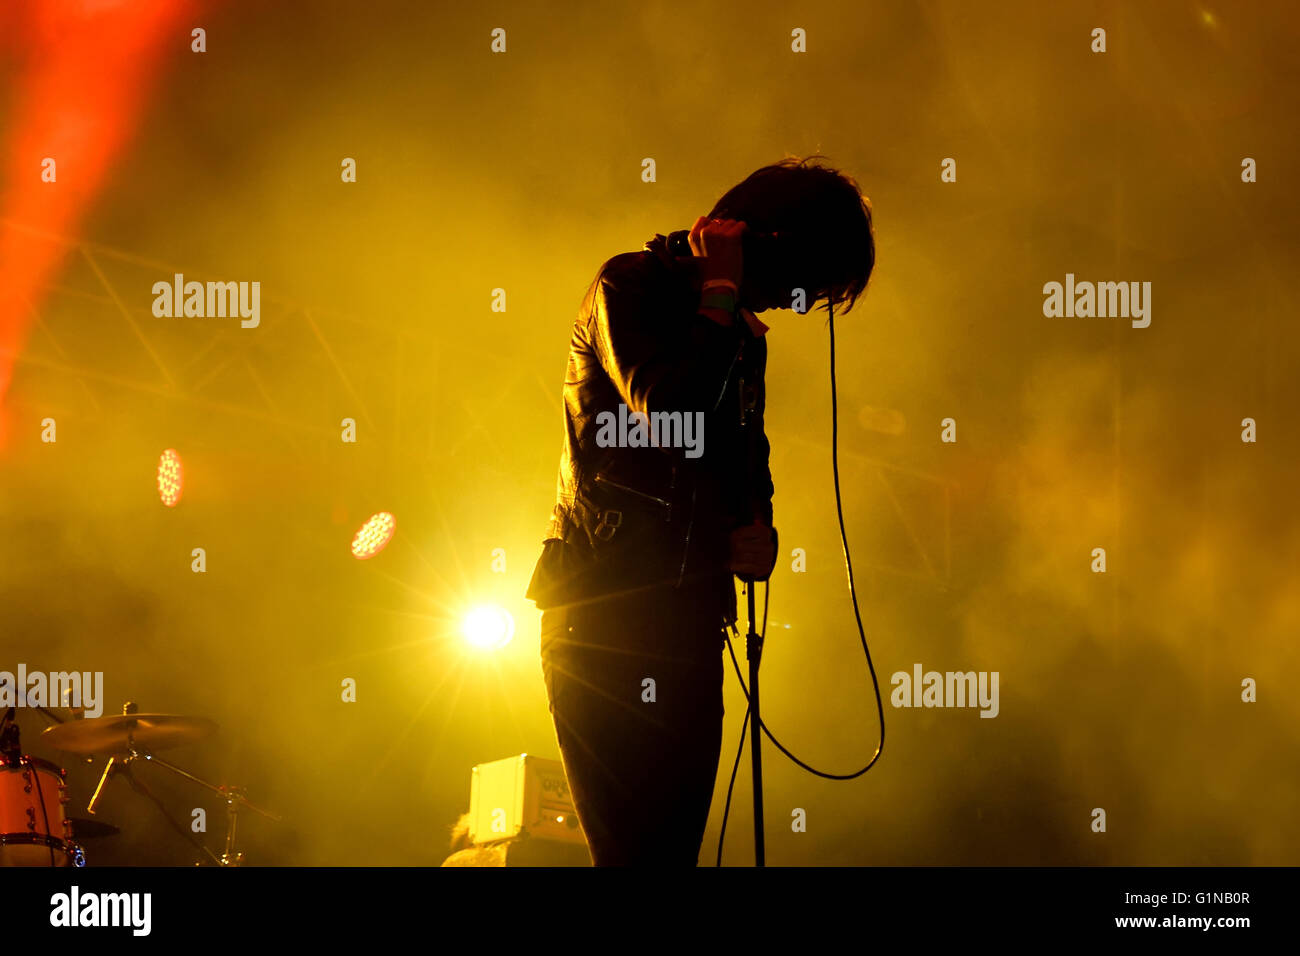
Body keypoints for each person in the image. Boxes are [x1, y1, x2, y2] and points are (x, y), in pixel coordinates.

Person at [526, 155, 875, 865]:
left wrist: (758, 531)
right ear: (758, 240)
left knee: (671, 857)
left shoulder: (737, 335)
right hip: (606, 617)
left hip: (690, 621)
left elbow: (748, 460)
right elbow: (671, 409)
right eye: (803, 282)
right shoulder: (629, 287)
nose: (795, 303)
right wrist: (719, 295)